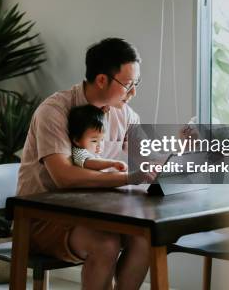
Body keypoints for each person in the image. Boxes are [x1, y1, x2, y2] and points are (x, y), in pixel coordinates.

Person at [17, 37, 150, 290]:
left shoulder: (123, 112)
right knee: (106, 244)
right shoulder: (55, 111)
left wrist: (179, 148)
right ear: (102, 80)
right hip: (41, 219)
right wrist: (126, 178)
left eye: (136, 84)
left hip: (96, 214)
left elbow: (146, 157)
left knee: (144, 239)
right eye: (128, 84)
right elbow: (64, 176)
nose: (133, 92)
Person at [68, 104, 128, 172]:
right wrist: (112, 163)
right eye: (94, 141)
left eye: (102, 140)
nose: (99, 145)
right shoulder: (79, 152)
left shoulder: (92, 153)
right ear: (77, 140)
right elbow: (90, 162)